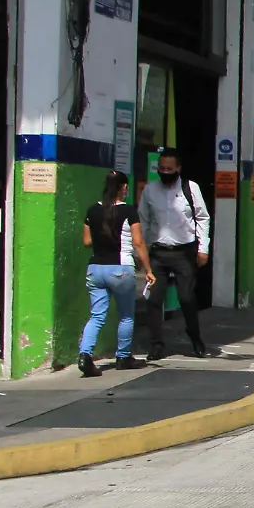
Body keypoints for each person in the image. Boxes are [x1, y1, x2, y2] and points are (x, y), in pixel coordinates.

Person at [138, 148, 216, 361]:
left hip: (184, 251)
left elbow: (203, 218)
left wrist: (203, 249)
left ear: (178, 169)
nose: (165, 172)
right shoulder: (150, 191)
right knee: (154, 300)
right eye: (161, 168)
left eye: (169, 169)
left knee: (186, 297)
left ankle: (195, 337)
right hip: (158, 252)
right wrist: (141, 251)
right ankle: (156, 345)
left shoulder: (190, 189)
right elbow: (143, 222)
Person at [79, 171, 153, 376]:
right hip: (121, 268)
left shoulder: (92, 211)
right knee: (126, 315)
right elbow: (138, 243)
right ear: (123, 188)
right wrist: (148, 270)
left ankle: (85, 354)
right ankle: (123, 357)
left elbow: (87, 242)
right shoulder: (129, 212)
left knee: (97, 315)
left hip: (95, 269)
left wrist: (102, 235)